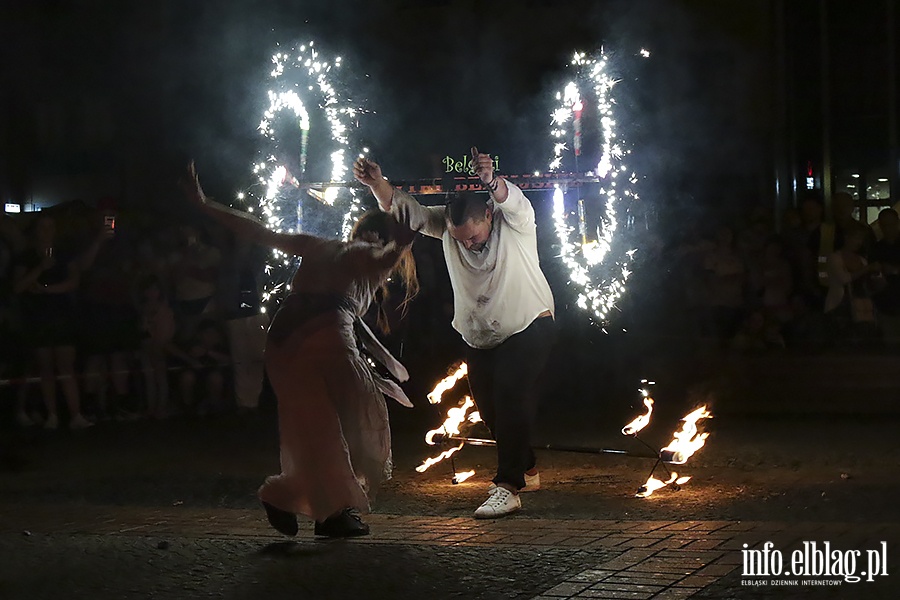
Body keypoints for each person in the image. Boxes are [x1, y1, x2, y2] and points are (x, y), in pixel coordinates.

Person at [183, 163, 418, 538]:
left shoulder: (320, 245)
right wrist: (404, 240)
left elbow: (259, 231)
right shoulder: (364, 255)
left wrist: (204, 202)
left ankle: (304, 502)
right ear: (374, 235)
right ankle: (326, 508)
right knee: (351, 425)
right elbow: (383, 259)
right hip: (324, 342)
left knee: (310, 429)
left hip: (282, 342)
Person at [354, 147, 556, 519]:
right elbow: (407, 212)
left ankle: (507, 487)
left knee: (511, 393)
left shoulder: (517, 223)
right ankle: (527, 468)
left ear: (489, 218)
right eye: (460, 239)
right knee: (491, 409)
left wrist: (492, 181)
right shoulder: (448, 229)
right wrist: (378, 184)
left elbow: (512, 200)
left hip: (529, 323)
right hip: (479, 334)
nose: (468, 244)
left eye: (474, 238)